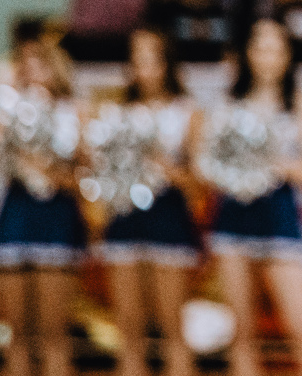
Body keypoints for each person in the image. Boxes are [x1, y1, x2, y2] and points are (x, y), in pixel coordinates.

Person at [197, 20, 302, 376]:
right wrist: (229, 170)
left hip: (279, 217)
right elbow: (205, 163)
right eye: (260, 48)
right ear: (247, 53)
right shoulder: (227, 105)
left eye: (275, 49)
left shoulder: (301, 103)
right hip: (233, 217)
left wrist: (273, 164)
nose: (267, 57)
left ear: (288, 56)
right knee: (241, 334)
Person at [90, 29, 200, 376]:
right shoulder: (114, 113)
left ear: (167, 64)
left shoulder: (186, 112)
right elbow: (97, 169)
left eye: (152, 59)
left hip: (167, 215)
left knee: (172, 330)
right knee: (128, 333)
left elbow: (199, 182)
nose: (144, 68)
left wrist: (162, 165)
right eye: (137, 60)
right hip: (124, 217)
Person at [0, 34, 85, 376]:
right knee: (16, 334)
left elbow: (87, 173)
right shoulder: (5, 110)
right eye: (24, 64)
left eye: (39, 63)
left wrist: (52, 172)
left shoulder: (72, 112)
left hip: (56, 216)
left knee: (54, 335)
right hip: (15, 213)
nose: (31, 71)